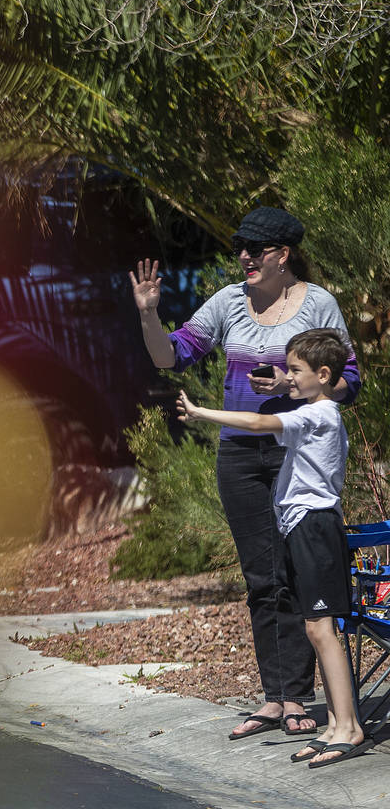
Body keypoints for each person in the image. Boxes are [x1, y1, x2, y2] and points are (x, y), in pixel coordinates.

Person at [129, 207, 361, 739]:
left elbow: (349, 380)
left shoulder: (318, 303)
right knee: (262, 578)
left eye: (256, 249)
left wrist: (290, 388)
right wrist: (148, 314)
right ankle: (276, 698)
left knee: (294, 573)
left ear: (283, 254)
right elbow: (172, 355)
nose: (245, 257)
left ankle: (302, 697)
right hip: (238, 456)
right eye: (242, 247)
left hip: (291, 453)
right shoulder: (229, 301)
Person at [177, 329, 370, 767]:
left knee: (323, 629)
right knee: (314, 628)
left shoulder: (321, 413)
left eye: (296, 371)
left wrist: (203, 412)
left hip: (315, 528)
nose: (289, 378)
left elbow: (262, 423)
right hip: (302, 528)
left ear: (323, 375)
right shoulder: (311, 411)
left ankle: (350, 728)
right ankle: (336, 723)